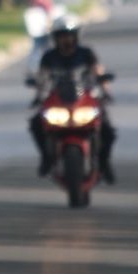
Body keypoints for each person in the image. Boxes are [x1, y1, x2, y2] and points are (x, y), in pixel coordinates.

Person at [29, 14, 116, 183]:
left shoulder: (86, 53)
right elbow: (42, 78)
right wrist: (38, 95)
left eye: (69, 36)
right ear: (55, 38)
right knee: (36, 124)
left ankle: (104, 163)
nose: (66, 40)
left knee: (107, 130)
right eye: (62, 36)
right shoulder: (49, 57)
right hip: (58, 100)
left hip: (84, 99)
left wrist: (105, 89)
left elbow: (98, 71)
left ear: (76, 36)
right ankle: (46, 158)